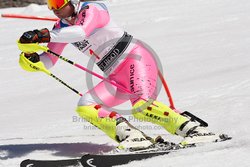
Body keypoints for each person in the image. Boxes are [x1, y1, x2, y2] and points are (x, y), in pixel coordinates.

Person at [18, 0, 223, 151]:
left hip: (134, 58)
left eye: (58, 2)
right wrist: (30, 58)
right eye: (50, 5)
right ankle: (133, 137)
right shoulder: (60, 28)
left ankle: (195, 131)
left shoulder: (93, 9)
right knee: (86, 106)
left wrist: (43, 34)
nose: (55, 9)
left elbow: (82, 32)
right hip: (114, 75)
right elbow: (49, 61)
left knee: (142, 107)